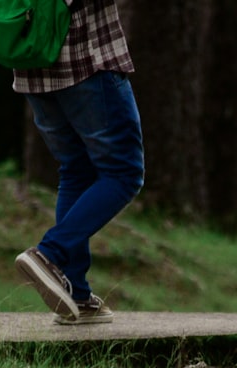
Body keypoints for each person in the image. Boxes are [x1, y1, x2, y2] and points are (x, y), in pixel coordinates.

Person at [13, 0, 145, 325]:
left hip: (34, 67)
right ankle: (50, 253)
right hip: (85, 63)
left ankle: (76, 294)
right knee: (124, 174)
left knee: (77, 171)